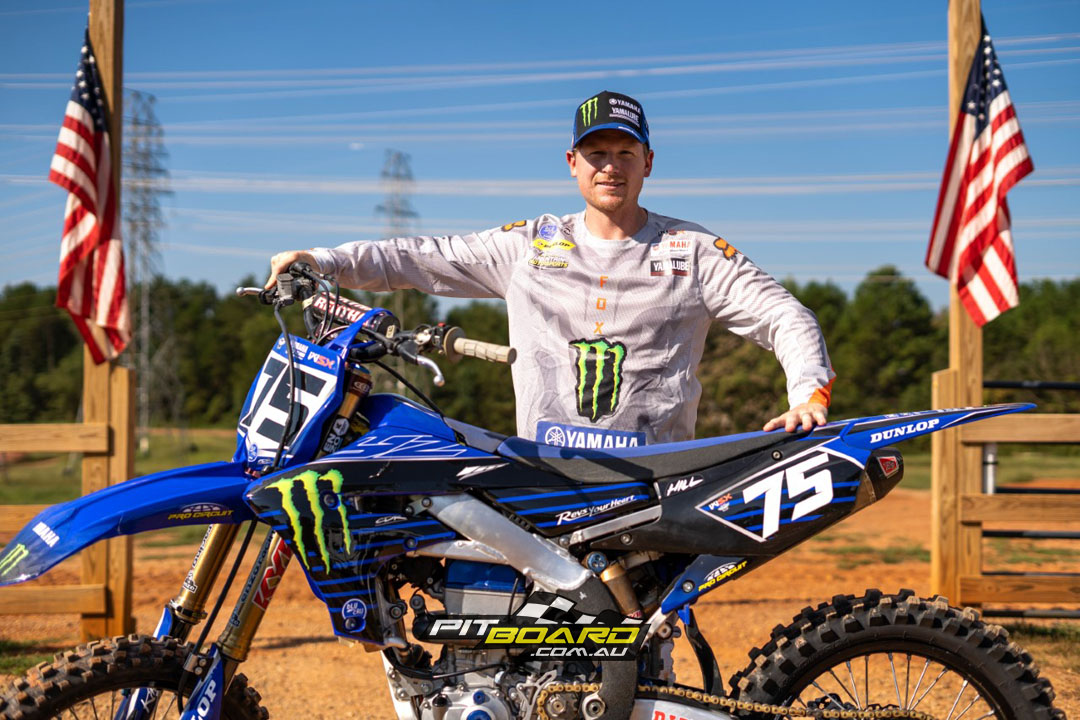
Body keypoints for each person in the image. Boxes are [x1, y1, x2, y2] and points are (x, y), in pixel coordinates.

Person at [267, 90, 834, 447]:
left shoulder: (693, 250)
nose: (610, 167)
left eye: (625, 153)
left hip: (656, 485)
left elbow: (785, 316)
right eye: (596, 153)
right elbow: (420, 257)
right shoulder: (532, 244)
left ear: (648, 162)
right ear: (572, 163)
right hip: (543, 476)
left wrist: (808, 396)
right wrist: (325, 260)